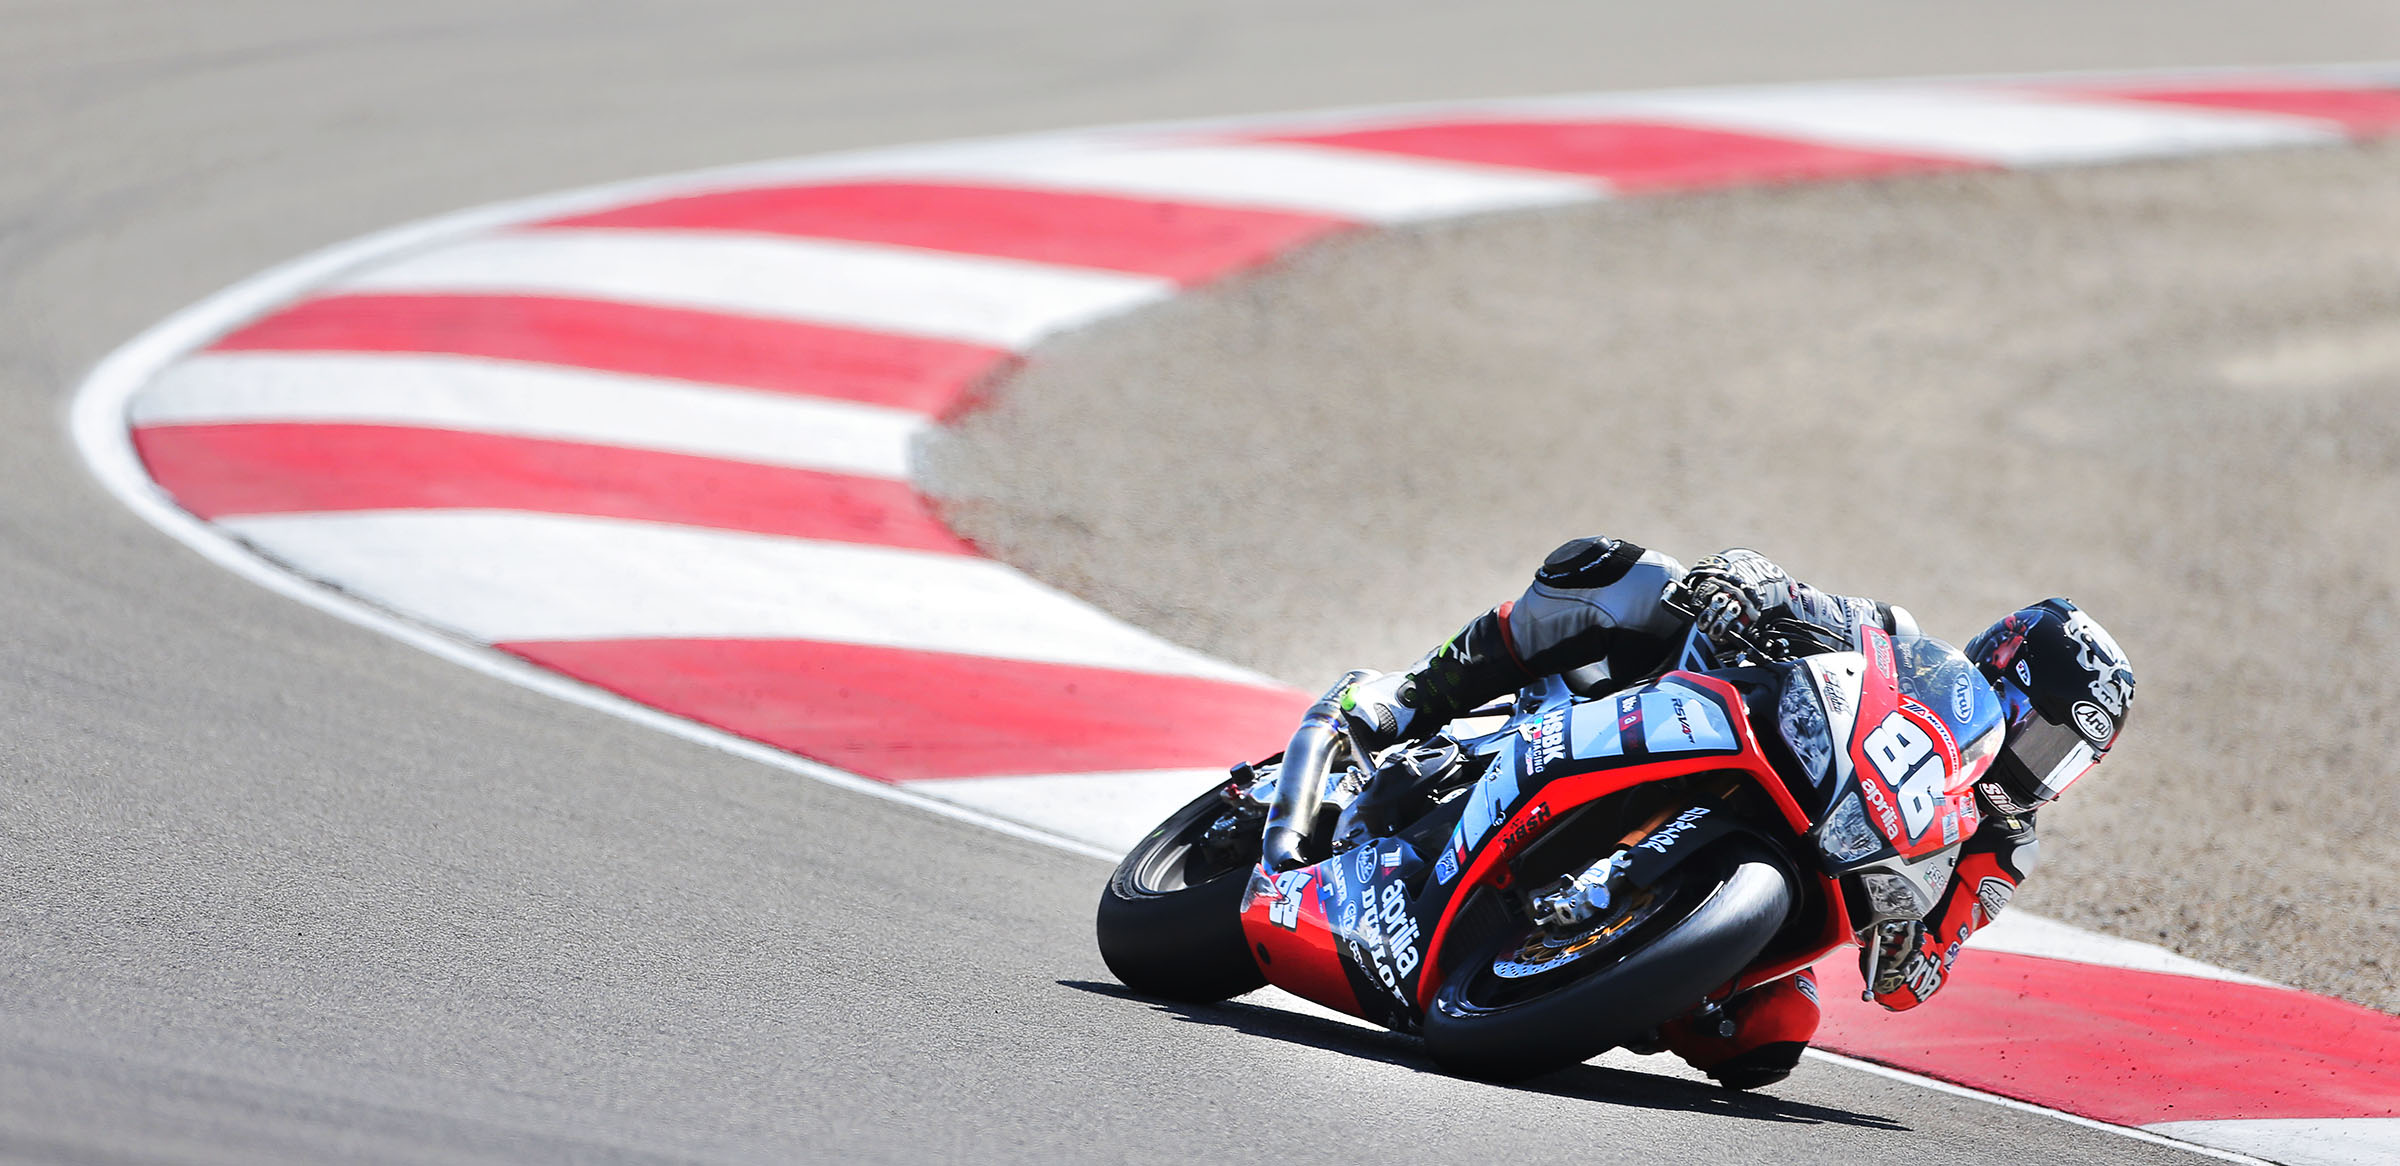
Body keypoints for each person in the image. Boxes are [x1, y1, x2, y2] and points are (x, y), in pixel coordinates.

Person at [1338, 537, 2136, 1089]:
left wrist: (1906, 943)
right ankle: (1414, 694)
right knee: (1632, 578)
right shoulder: (1910, 649)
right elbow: (1817, 607)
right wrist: (1756, 588)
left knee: (1772, 1036)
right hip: (1731, 742)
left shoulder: (2002, 849)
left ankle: (1602, 977)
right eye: (2041, 731)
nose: (2038, 764)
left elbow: (1914, 979)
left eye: (2063, 756)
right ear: (2001, 666)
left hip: (1807, 880)